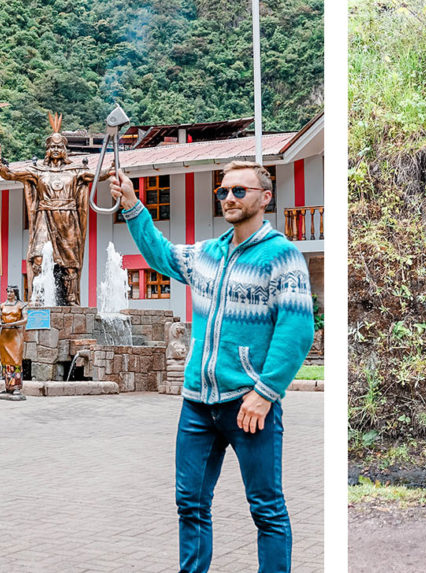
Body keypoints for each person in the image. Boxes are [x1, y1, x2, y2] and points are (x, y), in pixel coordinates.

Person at [109, 160, 314, 573]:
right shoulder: (208, 254)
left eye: (240, 191)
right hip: (198, 405)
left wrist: (264, 393)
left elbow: (297, 330)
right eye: (223, 192)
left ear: (265, 198)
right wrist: (132, 205)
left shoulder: (283, 257)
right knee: (190, 503)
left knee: (267, 509)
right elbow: (161, 255)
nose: (230, 198)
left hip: (248, 406)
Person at [0, 112, 110, 306]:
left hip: (68, 220)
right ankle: (37, 295)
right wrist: (1, 167)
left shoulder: (75, 170)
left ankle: (71, 298)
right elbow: (11, 174)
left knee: (70, 263)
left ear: (65, 149)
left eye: (59, 146)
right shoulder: (37, 170)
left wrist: (112, 168)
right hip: (44, 218)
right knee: (38, 256)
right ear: (47, 149)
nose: (55, 149)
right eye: (52, 146)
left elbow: (98, 175)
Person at [0, 286, 27, 401]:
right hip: (5, 335)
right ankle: (8, 387)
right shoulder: (2, 305)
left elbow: (25, 319)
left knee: (16, 360)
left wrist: (13, 324)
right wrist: (0, 323)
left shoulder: (21, 305)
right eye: (7, 291)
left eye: (11, 291)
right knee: (5, 361)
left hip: (15, 335)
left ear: (15, 293)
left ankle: (16, 386)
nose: (9, 293)